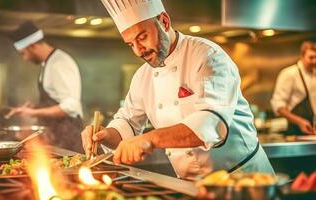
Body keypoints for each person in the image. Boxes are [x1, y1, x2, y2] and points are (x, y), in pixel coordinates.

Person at [81, 0, 274, 179]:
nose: (139, 50)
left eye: (143, 37)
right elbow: (128, 124)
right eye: (131, 44)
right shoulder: (142, 76)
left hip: (243, 178)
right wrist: (105, 135)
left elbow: (211, 124)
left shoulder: (208, 56)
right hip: (189, 184)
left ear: (164, 21)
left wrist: (150, 139)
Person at [8, 21, 84, 152]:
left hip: (68, 141)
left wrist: (33, 113)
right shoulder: (48, 62)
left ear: (32, 46)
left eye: (23, 53)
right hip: (57, 138)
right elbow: (57, 99)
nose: (24, 58)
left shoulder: (59, 63)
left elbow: (70, 106)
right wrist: (36, 107)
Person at [271, 40, 316, 135]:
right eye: (311, 57)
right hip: (294, 130)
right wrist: (300, 122)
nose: (314, 61)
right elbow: (278, 106)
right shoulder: (289, 74)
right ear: (302, 56)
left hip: (311, 130)